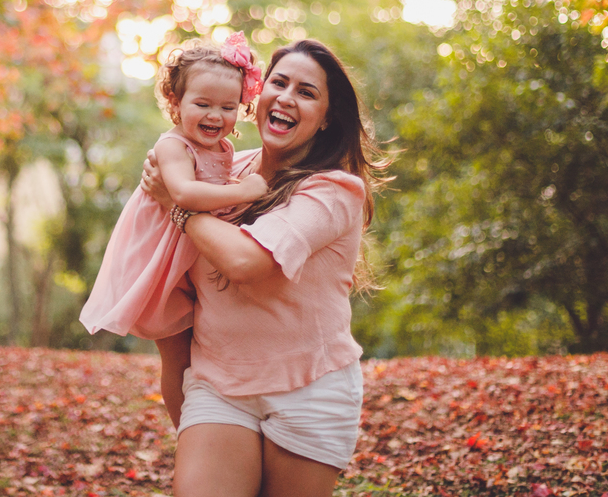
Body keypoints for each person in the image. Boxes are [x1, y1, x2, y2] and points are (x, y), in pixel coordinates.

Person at [141, 38, 389, 497]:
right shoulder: (221, 174)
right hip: (220, 386)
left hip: (309, 388)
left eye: (307, 92)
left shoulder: (335, 190)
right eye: (279, 82)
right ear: (259, 95)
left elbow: (244, 262)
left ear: (327, 118)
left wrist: (177, 206)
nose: (287, 97)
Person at [79, 33, 267, 427]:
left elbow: (210, 191)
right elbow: (182, 192)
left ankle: (224, 418)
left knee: (207, 349)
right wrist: (246, 190)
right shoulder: (172, 147)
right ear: (176, 104)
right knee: (177, 359)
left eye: (228, 106)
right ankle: (187, 427)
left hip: (191, 248)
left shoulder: (224, 150)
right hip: (161, 256)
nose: (215, 115)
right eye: (202, 104)